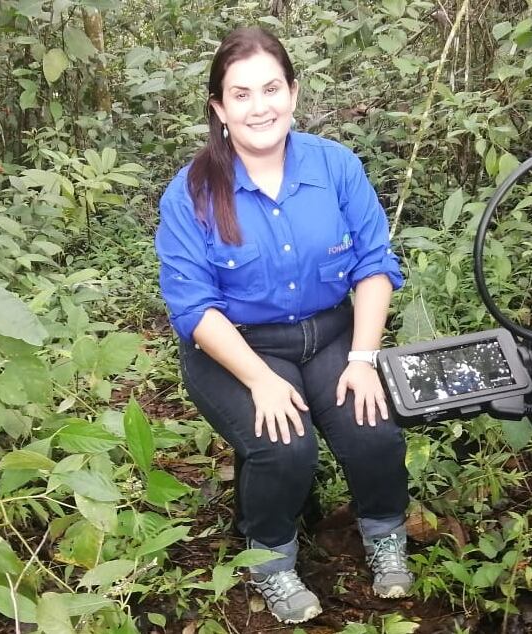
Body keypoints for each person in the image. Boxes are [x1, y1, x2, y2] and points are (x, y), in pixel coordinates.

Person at [154, 26, 412, 625]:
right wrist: (261, 381)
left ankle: (382, 531)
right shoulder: (191, 193)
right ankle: (269, 557)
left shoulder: (336, 167)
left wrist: (363, 358)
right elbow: (195, 310)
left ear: (293, 93)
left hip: (332, 334)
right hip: (236, 347)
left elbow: (375, 265)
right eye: (240, 94)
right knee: (282, 444)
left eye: (271, 88)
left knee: (373, 426)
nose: (259, 106)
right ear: (219, 108)